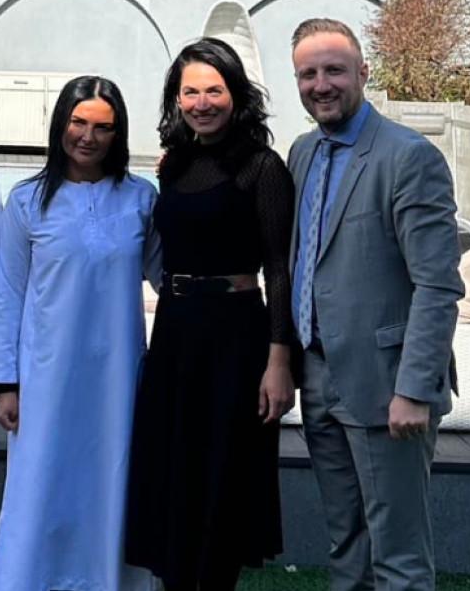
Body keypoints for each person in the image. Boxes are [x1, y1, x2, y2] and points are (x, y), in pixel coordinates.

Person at [287, 18, 462, 591]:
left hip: (388, 389)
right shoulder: (303, 153)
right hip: (319, 381)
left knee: (398, 557)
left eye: (334, 70)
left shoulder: (409, 157)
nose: (321, 85)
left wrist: (414, 390)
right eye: (308, 74)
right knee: (348, 548)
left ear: (363, 72)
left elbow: (437, 285)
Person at [125, 38, 296, 590]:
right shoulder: (174, 164)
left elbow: (279, 268)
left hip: (236, 339)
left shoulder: (261, 167)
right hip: (176, 335)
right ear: (177, 99)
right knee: (173, 474)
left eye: (214, 91)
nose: (202, 103)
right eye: (191, 92)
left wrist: (279, 362)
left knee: (223, 477)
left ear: (236, 94)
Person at [0, 76, 160, 590]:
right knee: (39, 487)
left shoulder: (140, 199)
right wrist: (6, 383)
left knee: (112, 484)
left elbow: (170, 277)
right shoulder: (27, 202)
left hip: (118, 380)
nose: (88, 136)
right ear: (60, 123)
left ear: (118, 134)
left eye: (103, 127)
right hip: (46, 379)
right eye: (78, 122)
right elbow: (7, 294)